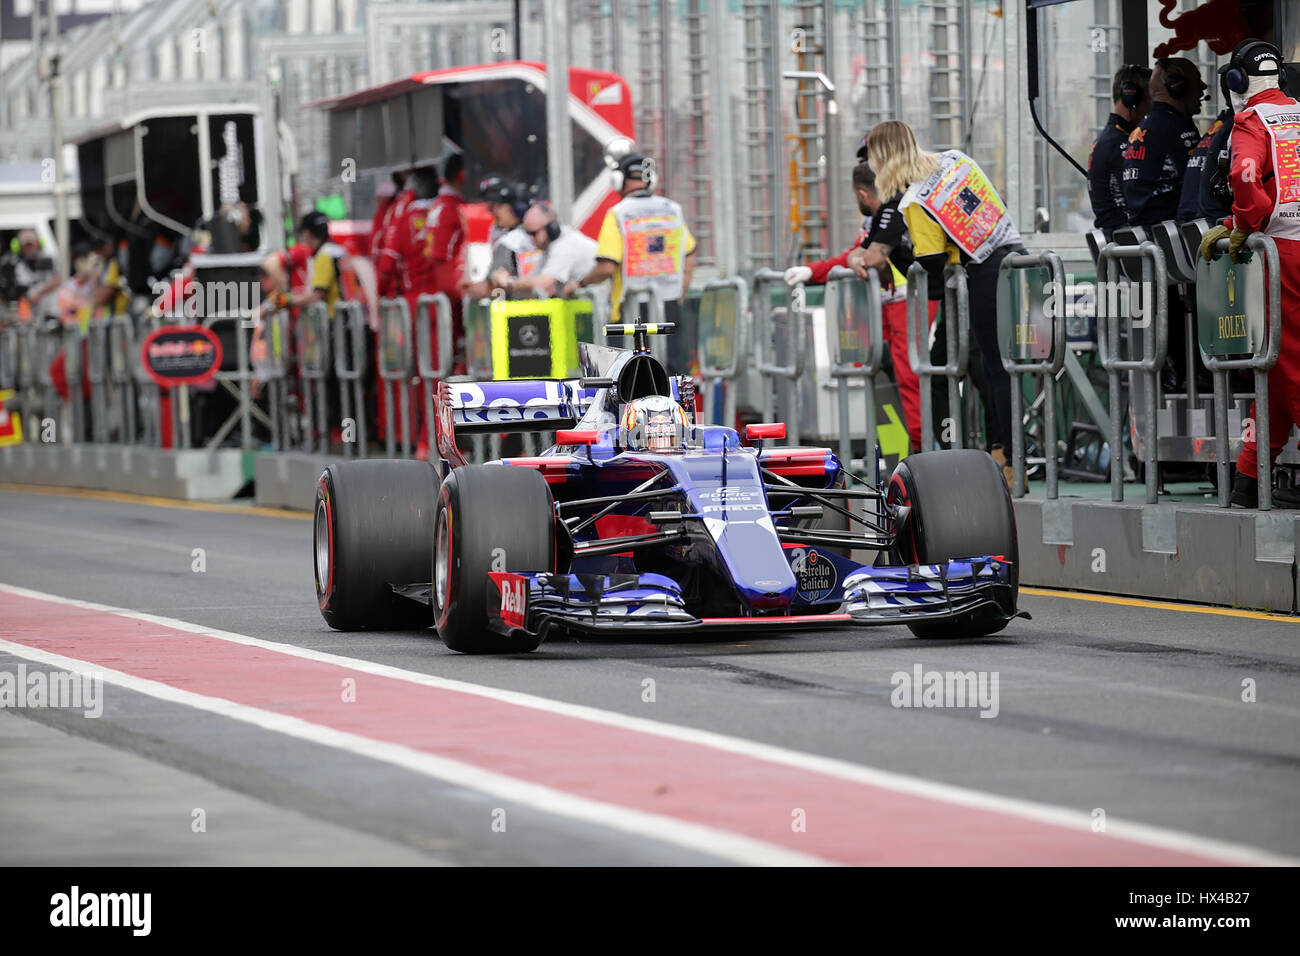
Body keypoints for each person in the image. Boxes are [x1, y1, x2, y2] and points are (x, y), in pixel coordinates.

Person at [870, 119, 1027, 485]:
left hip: (984, 276)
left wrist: (899, 261)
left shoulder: (914, 201)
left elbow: (933, 274)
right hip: (1018, 257)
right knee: (1016, 368)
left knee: (996, 368)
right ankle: (1009, 454)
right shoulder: (956, 160)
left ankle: (1010, 463)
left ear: (882, 160)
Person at [1195, 40, 1300, 508]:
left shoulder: (1250, 122)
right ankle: (1249, 477)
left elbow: (1244, 178)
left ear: (1236, 81)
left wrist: (1241, 223)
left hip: (1280, 253)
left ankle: (1250, 476)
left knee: (1288, 363)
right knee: (1275, 362)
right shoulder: (1298, 111)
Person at [782, 162, 932, 452]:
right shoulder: (880, 220)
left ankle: (924, 458)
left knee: (914, 386)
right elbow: (856, 255)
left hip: (910, 307)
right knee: (890, 391)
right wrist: (814, 272)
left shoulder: (897, 213)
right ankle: (899, 462)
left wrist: (825, 268)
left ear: (863, 194)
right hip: (889, 314)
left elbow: (863, 257)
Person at [563, 151, 696, 327]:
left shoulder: (618, 214)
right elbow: (689, 262)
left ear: (618, 180)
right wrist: (677, 297)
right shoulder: (672, 210)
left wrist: (580, 284)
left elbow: (607, 267)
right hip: (668, 309)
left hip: (630, 313)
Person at [1121, 57, 1207, 228]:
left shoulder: (1142, 129)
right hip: (1171, 239)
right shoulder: (1176, 127)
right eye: (1197, 80)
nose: (1203, 87)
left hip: (1147, 235)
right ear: (1178, 86)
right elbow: (1198, 181)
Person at [1088, 64, 1151, 239]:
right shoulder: (1119, 144)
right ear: (1131, 97)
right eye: (1150, 98)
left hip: (1122, 241)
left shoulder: (1109, 139)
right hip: (1130, 242)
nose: (1152, 106)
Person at [461, 176, 537, 300]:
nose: (494, 212)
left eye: (499, 206)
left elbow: (492, 287)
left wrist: (472, 289)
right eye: (491, 208)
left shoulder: (511, 241)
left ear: (517, 208)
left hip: (520, 310)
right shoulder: (540, 233)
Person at [505, 201, 598, 299]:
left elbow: (543, 283)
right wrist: (510, 280)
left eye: (533, 233)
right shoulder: (550, 246)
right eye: (528, 234)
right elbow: (532, 279)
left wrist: (508, 282)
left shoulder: (566, 245)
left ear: (551, 228)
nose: (530, 239)